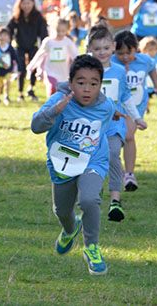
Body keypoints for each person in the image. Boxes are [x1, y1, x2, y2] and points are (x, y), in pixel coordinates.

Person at [30, 54, 117, 275]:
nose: (87, 89)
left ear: (100, 85)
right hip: (62, 162)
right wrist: (55, 111)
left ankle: (92, 247)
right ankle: (70, 229)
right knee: (61, 211)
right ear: (70, 83)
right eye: (80, 82)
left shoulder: (106, 106)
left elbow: (104, 127)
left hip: (93, 161)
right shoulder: (58, 100)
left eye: (93, 84)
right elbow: (35, 126)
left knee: (89, 199)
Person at [85, 25, 145, 222]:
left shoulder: (119, 71)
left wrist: (136, 118)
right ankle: (90, 194)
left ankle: (115, 201)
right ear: (89, 49)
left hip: (114, 125)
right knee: (90, 160)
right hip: (90, 127)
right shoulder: (86, 70)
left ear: (113, 47)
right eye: (97, 49)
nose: (102, 53)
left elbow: (126, 97)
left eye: (105, 48)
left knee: (112, 155)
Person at [111, 30, 157, 191]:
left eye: (128, 53)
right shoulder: (111, 61)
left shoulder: (145, 60)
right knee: (113, 143)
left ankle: (129, 174)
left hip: (136, 106)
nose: (124, 57)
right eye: (120, 53)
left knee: (129, 136)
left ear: (136, 49)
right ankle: (121, 173)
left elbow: (152, 68)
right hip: (116, 107)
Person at [7, 0, 48, 101]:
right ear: (20, 4)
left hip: (33, 45)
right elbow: (9, 30)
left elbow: (43, 32)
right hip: (19, 45)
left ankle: (31, 88)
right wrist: (8, 42)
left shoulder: (38, 17)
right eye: (24, 3)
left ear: (33, 3)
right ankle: (20, 92)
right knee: (21, 69)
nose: (26, 6)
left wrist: (45, 44)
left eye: (28, 3)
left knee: (33, 67)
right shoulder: (17, 17)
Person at [26, 18, 79, 98]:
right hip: (50, 71)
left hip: (63, 73)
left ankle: (58, 104)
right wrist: (31, 66)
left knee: (61, 93)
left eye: (63, 31)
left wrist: (80, 65)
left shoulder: (67, 42)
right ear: (53, 29)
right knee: (52, 87)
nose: (60, 33)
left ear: (67, 31)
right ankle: (51, 102)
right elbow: (40, 54)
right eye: (58, 31)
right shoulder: (48, 41)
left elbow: (74, 54)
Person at [0, 27, 17, 105]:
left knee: (7, 82)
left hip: (8, 69)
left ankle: (6, 97)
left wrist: (15, 67)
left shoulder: (9, 47)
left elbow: (14, 57)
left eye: (4, 35)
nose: (2, 37)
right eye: (0, 35)